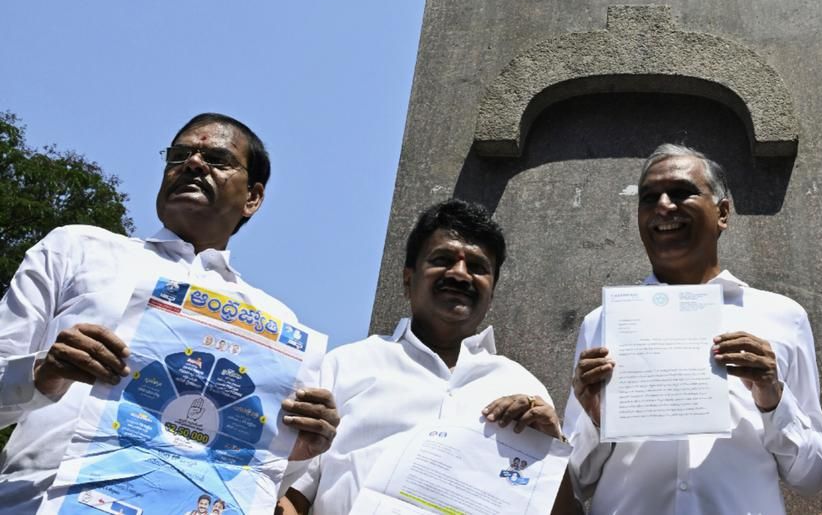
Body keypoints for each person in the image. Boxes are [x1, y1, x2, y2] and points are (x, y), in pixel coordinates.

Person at [0, 113, 339, 513]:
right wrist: (44, 373)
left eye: (217, 158)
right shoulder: (77, 249)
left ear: (253, 198)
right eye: (179, 155)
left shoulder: (276, 325)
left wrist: (295, 450)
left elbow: (246, 483)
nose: (193, 164)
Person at [563, 144, 822, 514]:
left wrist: (772, 397)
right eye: (649, 197)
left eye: (681, 192)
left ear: (722, 212)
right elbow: (575, 480)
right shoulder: (603, 322)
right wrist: (595, 419)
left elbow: (811, 476)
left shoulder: (782, 316)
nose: (664, 206)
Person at [280, 199, 562, 514]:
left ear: (492, 292)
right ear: (407, 279)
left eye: (478, 266)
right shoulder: (346, 366)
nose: (460, 274)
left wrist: (551, 450)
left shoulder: (524, 389)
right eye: (442, 259)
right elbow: (292, 497)